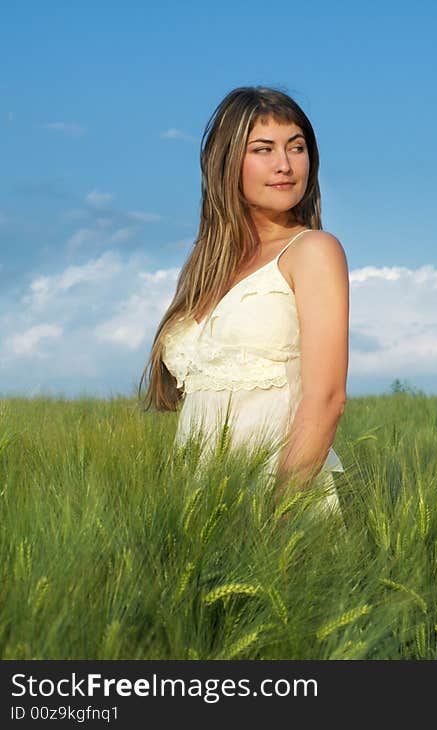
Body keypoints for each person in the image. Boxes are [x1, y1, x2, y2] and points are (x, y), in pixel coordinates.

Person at [139, 86, 349, 517]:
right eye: (263, 149)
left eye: (297, 147)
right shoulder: (208, 264)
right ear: (227, 161)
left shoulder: (313, 251)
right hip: (197, 503)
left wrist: (278, 515)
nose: (285, 165)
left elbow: (326, 398)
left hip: (278, 498)